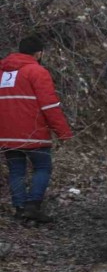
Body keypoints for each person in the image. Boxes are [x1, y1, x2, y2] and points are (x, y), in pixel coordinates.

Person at [0, 35, 73, 222]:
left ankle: (19, 209)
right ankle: (32, 206)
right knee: (43, 168)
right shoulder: (37, 71)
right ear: (39, 53)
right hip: (34, 133)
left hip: (7, 134)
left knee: (16, 171)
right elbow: (49, 106)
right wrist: (63, 133)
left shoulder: (2, 72)